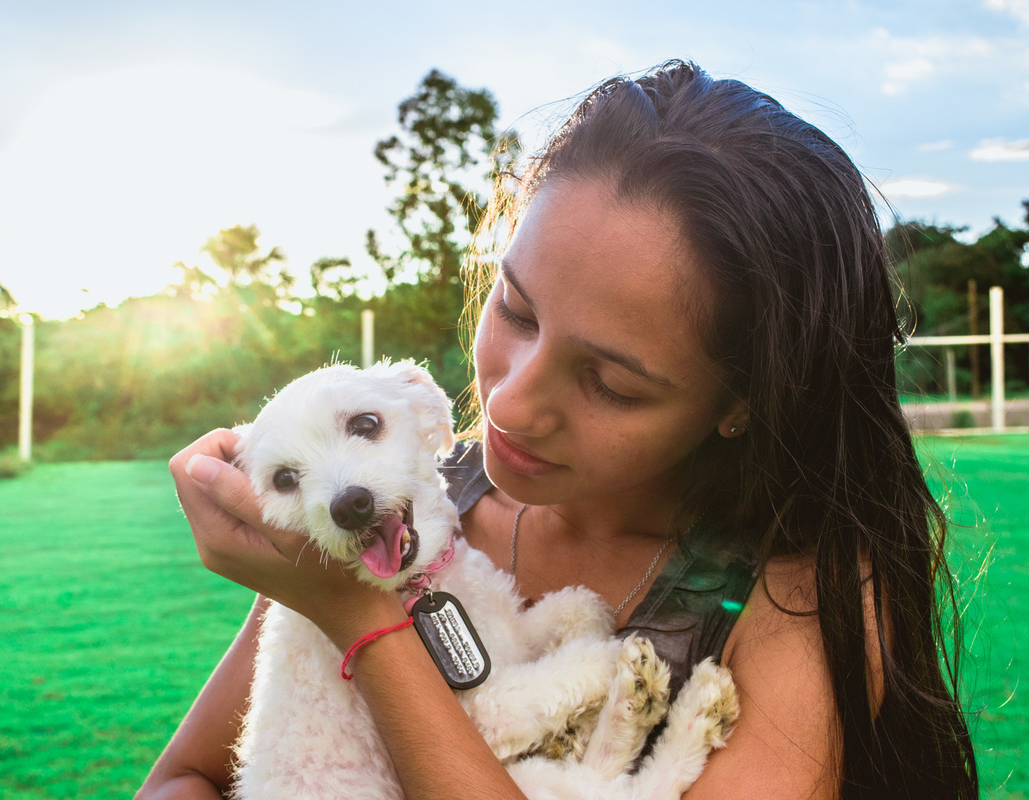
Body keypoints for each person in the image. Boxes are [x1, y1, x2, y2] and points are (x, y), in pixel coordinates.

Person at [138, 60, 978, 800]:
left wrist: (365, 623)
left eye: (607, 381)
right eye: (515, 308)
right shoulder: (406, 507)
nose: (507, 404)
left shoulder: (800, 596)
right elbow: (187, 777)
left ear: (742, 402)